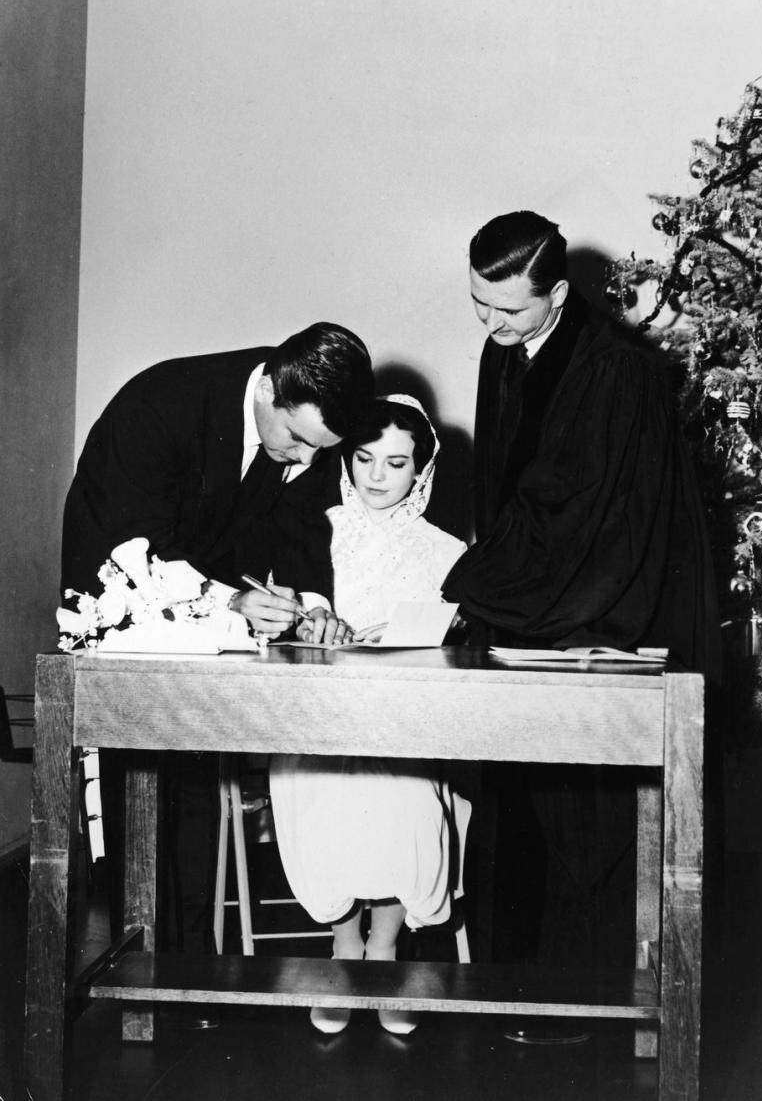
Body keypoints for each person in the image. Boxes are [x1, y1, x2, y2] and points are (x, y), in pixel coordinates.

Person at [442, 211, 721, 1041]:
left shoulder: (620, 376)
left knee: (582, 819)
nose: (492, 327)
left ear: (559, 294)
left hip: (597, 613)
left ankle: (579, 1004)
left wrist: (479, 584)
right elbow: (506, 496)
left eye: (510, 312)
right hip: (530, 601)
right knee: (514, 806)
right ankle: (507, 985)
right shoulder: (504, 353)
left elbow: (598, 523)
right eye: (479, 306)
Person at [60, 322, 375, 950]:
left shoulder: (304, 429)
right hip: (122, 613)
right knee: (137, 802)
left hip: (210, 626)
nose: (307, 459)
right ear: (269, 393)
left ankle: (187, 964)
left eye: (321, 449)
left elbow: (303, 526)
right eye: (297, 440)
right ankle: (141, 965)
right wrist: (230, 598)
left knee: (199, 791)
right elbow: (134, 546)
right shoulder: (161, 404)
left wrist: (310, 607)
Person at [273, 395, 467, 1036]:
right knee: (324, 786)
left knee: (401, 790)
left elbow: (453, 640)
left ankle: (385, 947)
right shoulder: (314, 524)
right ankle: (341, 944)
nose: (377, 476)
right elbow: (287, 619)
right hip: (320, 712)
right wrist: (314, 619)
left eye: (396, 463)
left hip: (407, 713)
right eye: (364, 458)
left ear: (421, 470)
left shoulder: (444, 548)